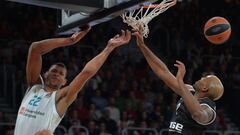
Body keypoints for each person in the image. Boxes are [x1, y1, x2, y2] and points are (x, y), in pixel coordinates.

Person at [14, 26, 131, 135]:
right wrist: (70, 40)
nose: (56, 74)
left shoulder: (61, 97)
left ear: (64, 81)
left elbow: (85, 74)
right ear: (46, 74)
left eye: (60, 74)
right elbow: (35, 48)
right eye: (54, 71)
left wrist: (108, 48)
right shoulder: (34, 86)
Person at [133, 30, 224, 135]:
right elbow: (162, 72)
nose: (201, 78)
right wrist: (143, 46)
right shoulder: (189, 90)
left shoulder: (209, 108)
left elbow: (198, 114)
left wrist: (180, 81)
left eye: (204, 79)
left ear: (205, 88)